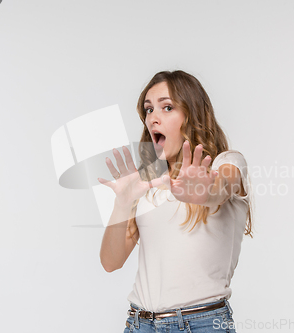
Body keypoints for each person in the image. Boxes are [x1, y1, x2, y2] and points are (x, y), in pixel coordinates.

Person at [98, 70, 255, 333]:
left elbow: (222, 186)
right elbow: (110, 262)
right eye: (148, 110)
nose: (153, 118)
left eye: (167, 107)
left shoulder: (226, 163)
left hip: (200, 324)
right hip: (139, 324)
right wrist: (123, 202)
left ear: (191, 116)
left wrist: (203, 192)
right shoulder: (147, 184)